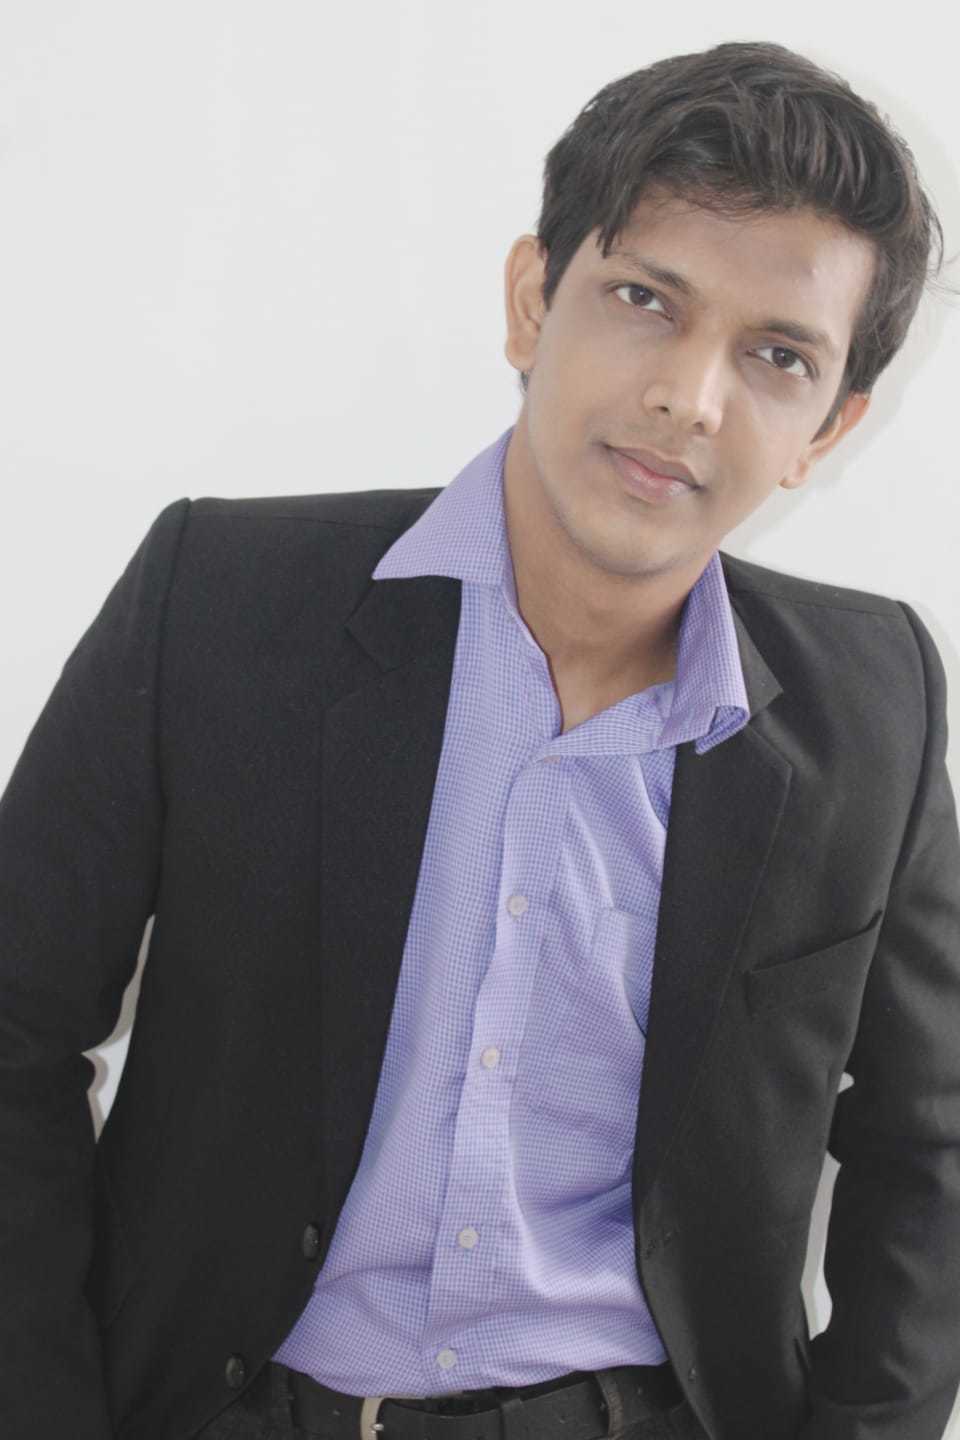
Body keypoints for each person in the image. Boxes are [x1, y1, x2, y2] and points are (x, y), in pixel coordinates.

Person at [1, 36, 958, 1440]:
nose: (689, 397)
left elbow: (930, 1139)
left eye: (776, 356)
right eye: (645, 299)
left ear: (831, 424)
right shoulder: (220, 605)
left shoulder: (876, 702)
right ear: (531, 299)